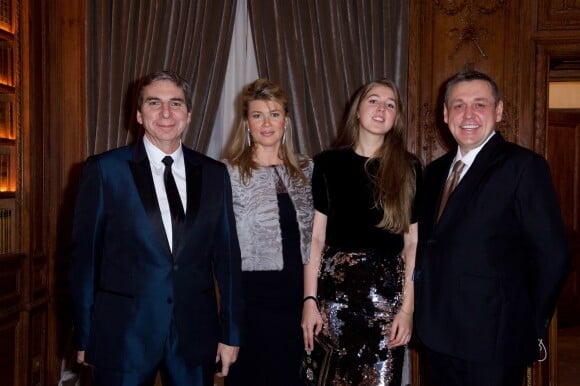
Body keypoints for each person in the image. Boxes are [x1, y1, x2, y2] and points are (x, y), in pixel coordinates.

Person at [69, 70, 243, 386]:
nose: (166, 113)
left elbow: (229, 262)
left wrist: (230, 334)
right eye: (154, 103)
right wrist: (85, 335)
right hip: (123, 337)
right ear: (138, 114)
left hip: (194, 338)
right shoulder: (105, 170)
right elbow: (84, 263)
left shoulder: (215, 174)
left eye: (176, 104)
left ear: (189, 115)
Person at [413, 70, 571, 386]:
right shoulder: (433, 172)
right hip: (438, 337)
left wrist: (530, 322)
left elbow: (554, 255)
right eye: (458, 105)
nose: (468, 114)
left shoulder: (523, 166)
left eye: (480, 104)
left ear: (498, 111)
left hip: (495, 342)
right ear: (445, 114)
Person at [302, 79, 421, 385]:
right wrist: (309, 301)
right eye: (374, 100)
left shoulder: (409, 168)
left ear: (396, 118)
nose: (382, 108)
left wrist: (407, 309)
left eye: (390, 104)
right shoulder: (327, 163)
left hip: (386, 303)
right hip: (334, 304)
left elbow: (412, 244)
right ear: (357, 110)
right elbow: (316, 239)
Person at [222, 78, 314, 386]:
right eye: (257, 114)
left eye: (274, 114)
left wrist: (313, 299)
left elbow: (318, 239)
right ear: (246, 122)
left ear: (286, 120)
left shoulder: (306, 170)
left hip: (296, 299)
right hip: (251, 301)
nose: (266, 123)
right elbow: (220, 246)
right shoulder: (227, 173)